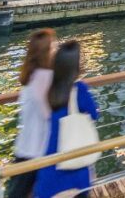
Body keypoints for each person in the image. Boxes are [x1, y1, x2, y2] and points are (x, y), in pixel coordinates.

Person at [33, 40, 99, 198]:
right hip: (74, 166)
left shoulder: (46, 89)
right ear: (76, 67)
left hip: (48, 166)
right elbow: (94, 114)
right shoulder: (79, 90)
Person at [7, 28, 56, 198]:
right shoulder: (45, 77)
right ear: (45, 52)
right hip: (39, 150)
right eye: (53, 47)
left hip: (25, 147)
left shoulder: (30, 76)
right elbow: (49, 113)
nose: (56, 50)